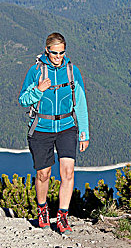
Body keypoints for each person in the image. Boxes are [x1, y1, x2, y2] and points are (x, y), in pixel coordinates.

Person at [18, 32, 89, 234]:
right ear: (47, 51)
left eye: (61, 53)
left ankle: (63, 217)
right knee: (43, 174)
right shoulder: (35, 72)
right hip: (41, 129)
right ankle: (42, 210)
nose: (58, 57)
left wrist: (84, 132)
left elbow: (80, 103)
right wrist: (38, 90)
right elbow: (23, 100)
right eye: (54, 53)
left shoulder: (72, 71)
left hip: (67, 127)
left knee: (68, 172)